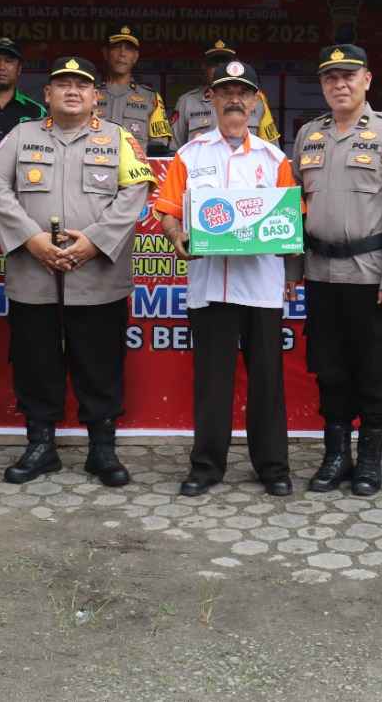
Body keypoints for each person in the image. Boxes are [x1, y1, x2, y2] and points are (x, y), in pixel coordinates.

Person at [0, 55, 155, 487]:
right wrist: (32, 239)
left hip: (97, 276)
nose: (72, 91)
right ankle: (40, 446)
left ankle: (102, 449)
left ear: (96, 96)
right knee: (35, 360)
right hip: (33, 273)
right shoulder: (20, 136)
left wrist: (94, 242)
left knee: (100, 361)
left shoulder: (119, 138)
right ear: (47, 94)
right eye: (63, 84)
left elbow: (136, 191)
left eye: (81, 85)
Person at [155, 59, 294, 498]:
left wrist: (287, 245)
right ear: (211, 98)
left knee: (267, 380)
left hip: (262, 287)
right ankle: (206, 466)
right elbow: (167, 211)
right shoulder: (190, 154)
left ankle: (273, 467)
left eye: (243, 92)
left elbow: (292, 221)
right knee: (212, 381)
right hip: (209, 285)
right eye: (226, 91)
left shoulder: (275, 159)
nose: (235, 99)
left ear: (256, 102)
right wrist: (176, 236)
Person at [292, 44, 382, 497]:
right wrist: (293, 269)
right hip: (321, 274)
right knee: (328, 370)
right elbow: (294, 206)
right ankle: (336, 457)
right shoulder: (308, 134)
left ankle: (369, 459)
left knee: (372, 370)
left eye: (348, 76)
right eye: (331, 78)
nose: (340, 85)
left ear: (367, 80)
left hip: (372, 276)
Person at [170, 40, 281, 149]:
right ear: (204, 66)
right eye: (214, 63)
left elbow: (271, 149)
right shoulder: (187, 102)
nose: (220, 68)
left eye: (225, 63)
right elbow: (173, 151)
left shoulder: (255, 101)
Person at [95, 23, 172, 155]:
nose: (122, 54)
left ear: (135, 56)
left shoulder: (151, 98)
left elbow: (159, 147)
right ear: (105, 53)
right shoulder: (89, 95)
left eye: (129, 49)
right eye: (116, 47)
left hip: (135, 167)